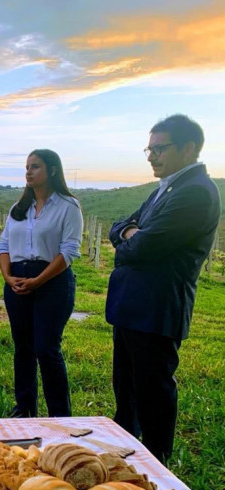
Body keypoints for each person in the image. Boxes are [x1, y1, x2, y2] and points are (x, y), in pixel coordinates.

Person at [106, 114, 220, 464]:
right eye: (149, 149)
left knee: (152, 393)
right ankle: (125, 459)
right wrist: (129, 232)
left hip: (157, 308)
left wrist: (130, 238)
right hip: (132, 306)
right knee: (127, 389)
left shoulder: (196, 192)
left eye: (160, 149)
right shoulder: (167, 188)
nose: (152, 157)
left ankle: (157, 466)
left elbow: (144, 247)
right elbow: (118, 227)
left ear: (188, 148)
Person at [0, 149, 83, 418]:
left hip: (52, 281)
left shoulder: (68, 206)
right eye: (27, 166)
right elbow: (4, 246)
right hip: (17, 279)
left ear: (53, 170)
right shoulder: (18, 209)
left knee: (46, 348)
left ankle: (60, 415)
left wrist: (38, 280)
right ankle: (25, 410)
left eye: (35, 166)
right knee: (23, 348)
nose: (28, 171)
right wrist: (8, 277)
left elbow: (69, 251)